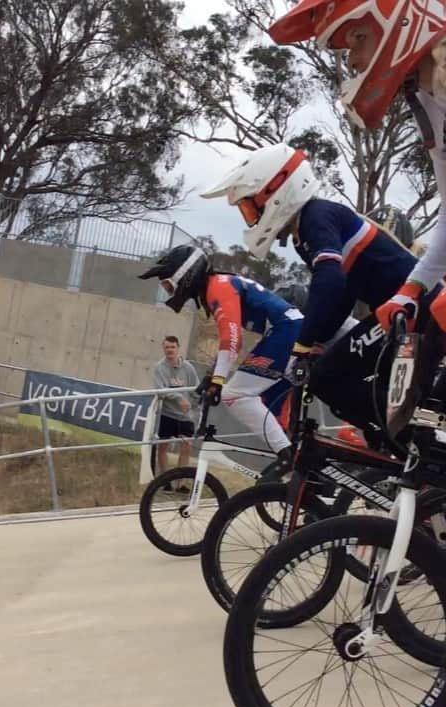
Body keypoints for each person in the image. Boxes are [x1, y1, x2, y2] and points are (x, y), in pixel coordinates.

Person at [200, 143, 436, 438]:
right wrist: (314, 342)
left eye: (250, 208)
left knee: (326, 378)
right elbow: (343, 294)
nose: (251, 219)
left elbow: (332, 282)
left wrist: (304, 341)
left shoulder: (315, 217)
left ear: (276, 192)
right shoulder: (305, 234)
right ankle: (399, 441)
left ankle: (410, 439)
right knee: (340, 373)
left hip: (414, 306)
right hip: (401, 310)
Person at [268, 0, 446, 335]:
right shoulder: (429, 102)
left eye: (359, 38)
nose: (351, 60)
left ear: (404, 23)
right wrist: (411, 289)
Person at [140, 245, 303, 474]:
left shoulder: (218, 287)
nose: (168, 292)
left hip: (287, 332)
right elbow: (229, 343)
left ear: (185, 275)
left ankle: (288, 457)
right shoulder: (218, 286)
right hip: (288, 331)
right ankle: (305, 466)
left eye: (168, 285)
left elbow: (231, 340)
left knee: (233, 396)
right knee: (272, 410)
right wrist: (211, 375)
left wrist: (218, 382)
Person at [151, 334, 199, 479]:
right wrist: (179, 398)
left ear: (178, 348)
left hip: (185, 416)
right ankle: (164, 480)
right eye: (167, 347)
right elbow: (160, 390)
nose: (170, 350)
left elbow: (195, 389)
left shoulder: (188, 368)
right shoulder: (159, 368)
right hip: (167, 414)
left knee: (186, 446)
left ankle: (180, 482)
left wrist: (195, 405)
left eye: (172, 347)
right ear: (163, 349)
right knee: (163, 446)